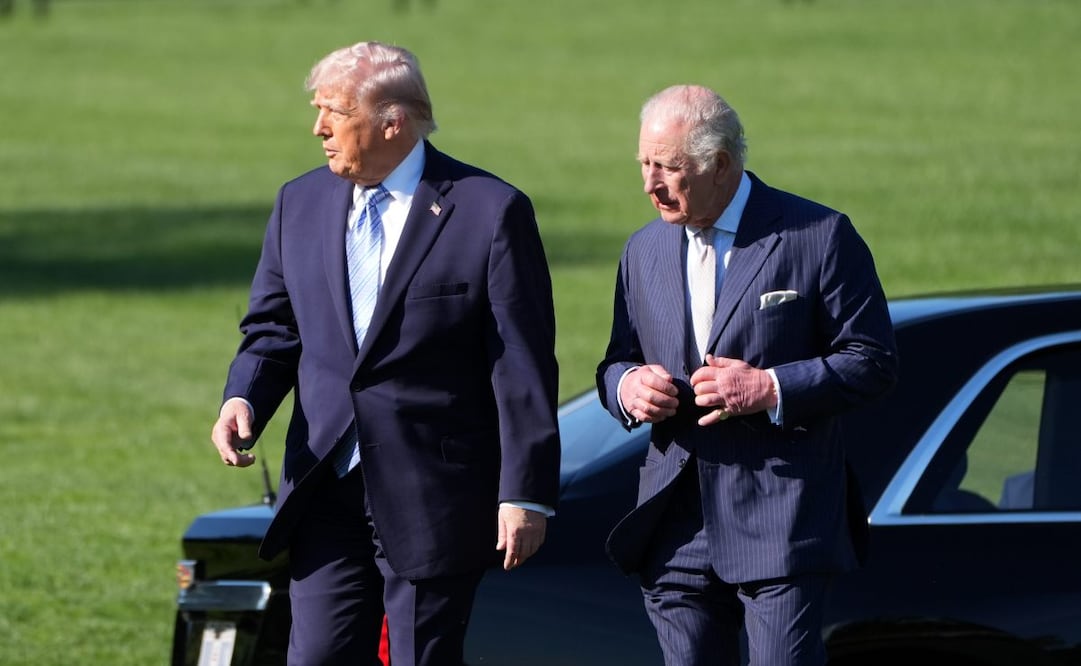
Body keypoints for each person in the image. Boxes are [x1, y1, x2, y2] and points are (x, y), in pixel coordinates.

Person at [210, 41, 561, 666]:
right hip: (325, 485)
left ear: (391, 122)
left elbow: (521, 365)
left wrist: (524, 492)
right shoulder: (300, 202)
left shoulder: (490, 211)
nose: (318, 128)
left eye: (335, 112)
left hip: (434, 494)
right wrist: (244, 397)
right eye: (318, 109)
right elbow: (273, 329)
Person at [596, 85, 899, 666]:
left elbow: (873, 360)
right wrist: (627, 387)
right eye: (643, 163)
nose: (649, 183)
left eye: (669, 167)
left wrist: (771, 388)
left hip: (780, 520)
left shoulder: (818, 235)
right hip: (675, 524)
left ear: (722, 165)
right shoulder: (644, 249)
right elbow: (616, 360)